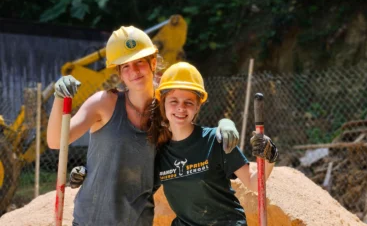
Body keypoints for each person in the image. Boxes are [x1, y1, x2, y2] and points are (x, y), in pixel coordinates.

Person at [47, 25, 239, 226]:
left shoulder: (167, 108)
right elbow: (55, 141)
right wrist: (60, 98)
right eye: (126, 66)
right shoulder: (103, 103)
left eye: (139, 62)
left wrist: (225, 124)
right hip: (91, 220)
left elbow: (193, 139)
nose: (134, 71)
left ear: (153, 63)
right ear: (119, 73)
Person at [149, 62, 279, 225]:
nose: (181, 108)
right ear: (164, 104)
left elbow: (254, 183)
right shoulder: (160, 152)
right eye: (173, 101)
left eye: (188, 102)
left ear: (197, 106)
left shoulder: (216, 141)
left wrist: (269, 156)